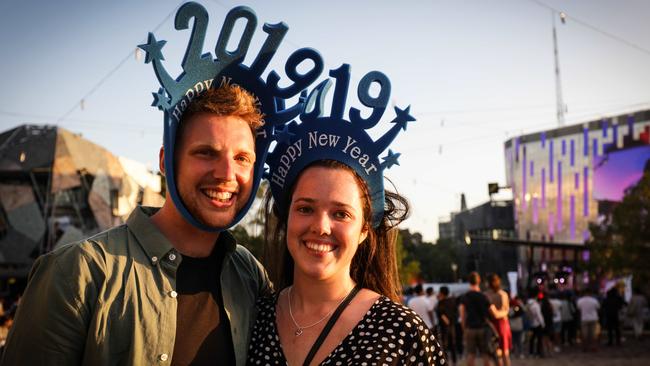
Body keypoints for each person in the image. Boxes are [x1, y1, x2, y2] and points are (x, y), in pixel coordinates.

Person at [1, 83, 272, 365]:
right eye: (206, 153)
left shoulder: (250, 275)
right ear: (166, 162)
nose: (227, 174)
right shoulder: (78, 272)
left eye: (242, 158)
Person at [460, 272, 491, 366]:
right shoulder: (484, 296)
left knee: (471, 354)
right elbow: (490, 312)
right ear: (479, 281)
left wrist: (464, 329)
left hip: (470, 328)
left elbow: (462, 315)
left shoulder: (465, 297)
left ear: (469, 282)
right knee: (485, 354)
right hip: (483, 327)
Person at [485, 273, 512, 366]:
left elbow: (506, 310)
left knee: (500, 352)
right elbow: (506, 310)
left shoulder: (500, 294)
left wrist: (495, 313)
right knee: (502, 352)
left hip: (498, 324)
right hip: (499, 323)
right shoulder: (501, 294)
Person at [437, 286, 458, 365]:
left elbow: (441, 314)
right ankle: (454, 361)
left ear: (442, 293)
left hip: (444, 326)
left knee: (445, 345)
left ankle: (446, 361)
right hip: (452, 325)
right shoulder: (453, 300)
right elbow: (456, 312)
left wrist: (446, 321)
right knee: (453, 343)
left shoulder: (441, 302)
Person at [576, 288, 601, 352]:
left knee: (584, 334)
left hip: (584, 318)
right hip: (593, 318)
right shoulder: (594, 300)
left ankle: (585, 347)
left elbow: (579, 309)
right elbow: (598, 308)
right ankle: (594, 347)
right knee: (593, 334)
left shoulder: (580, 301)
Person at [525, 289, 545, 358]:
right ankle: (538, 353)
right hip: (537, 324)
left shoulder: (528, 304)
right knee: (539, 339)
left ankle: (531, 352)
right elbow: (539, 315)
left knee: (532, 340)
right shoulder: (536, 305)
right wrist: (542, 324)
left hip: (530, 323)